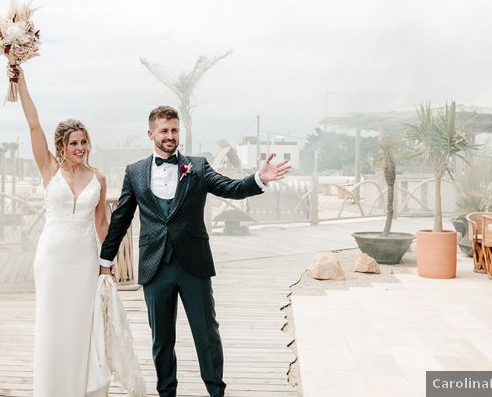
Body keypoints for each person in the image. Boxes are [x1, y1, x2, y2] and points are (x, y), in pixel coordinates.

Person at [99, 106, 290, 397]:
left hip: (194, 264)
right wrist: (105, 259)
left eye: (174, 130)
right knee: (161, 340)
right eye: (164, 130)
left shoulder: (198, 167)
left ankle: (216, 392)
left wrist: (259, 179)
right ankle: (167, 393)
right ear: (151, 134)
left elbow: (232, 188)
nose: (170, 136)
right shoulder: (134, 172)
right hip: (154, 266)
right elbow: (121, 218)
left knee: (206, 335)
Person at [15, 65, 110, 397]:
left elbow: (102, 223)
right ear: (62, 146)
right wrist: (22, 83)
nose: (81, 147)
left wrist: (108, 263)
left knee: (78, 327)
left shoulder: (98, 178)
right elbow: (33, 124)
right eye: (74, 143)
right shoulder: (48, 169)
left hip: (84, 261)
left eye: (84, 142)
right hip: (52, 260)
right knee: (52, 327)